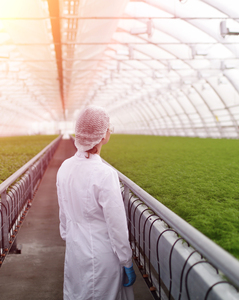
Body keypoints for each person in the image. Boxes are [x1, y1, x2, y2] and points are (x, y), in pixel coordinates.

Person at [56, 106, 136, 300]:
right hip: (101, 254)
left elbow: (64, 213)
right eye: (109, 128)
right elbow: (116, 224)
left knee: (77, 294)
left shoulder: (65, 167)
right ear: (102, 135)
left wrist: (70, 235)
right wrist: (126, 260)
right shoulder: (104, 173)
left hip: (75, 249)